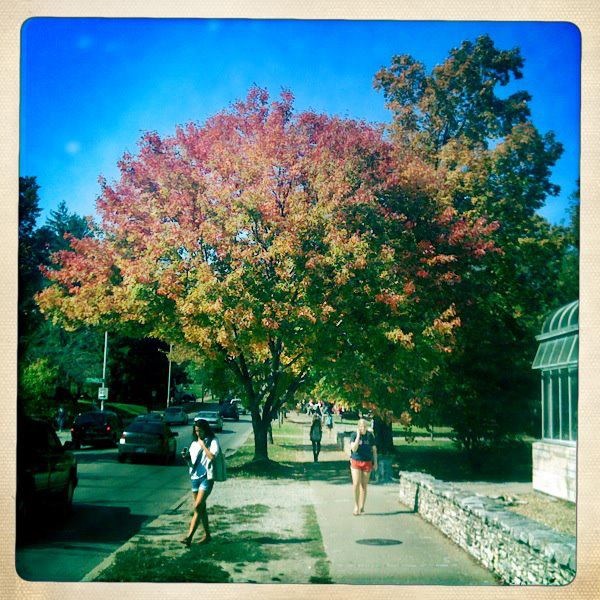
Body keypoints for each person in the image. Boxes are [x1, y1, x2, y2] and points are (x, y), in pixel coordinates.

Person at [180, 419, 220, 546]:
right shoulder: (193, 444)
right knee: (201, 508)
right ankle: (207, 535)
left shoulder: (213, 441)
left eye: (200, 431)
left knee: (197, 506)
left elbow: (213, 457)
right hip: (195, 478)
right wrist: (186, 458)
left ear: (205, 429)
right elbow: (192, 462)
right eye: (196, 431)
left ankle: (189, 537)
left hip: (207, 477)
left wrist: (203, 445)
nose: (198, 433)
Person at [349, 418, 378, 516]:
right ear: (358, 427)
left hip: (367, 462)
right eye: (361, 426)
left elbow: (374, 450)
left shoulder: (370, 436)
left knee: (364, 485)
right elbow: (353, 449)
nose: (363, 428)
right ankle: (356, 506)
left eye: (364, 426)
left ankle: (362, 506)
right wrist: (358, 436)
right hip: (356, 461)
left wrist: (375, 462)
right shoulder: (353, 435)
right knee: (356, 484)